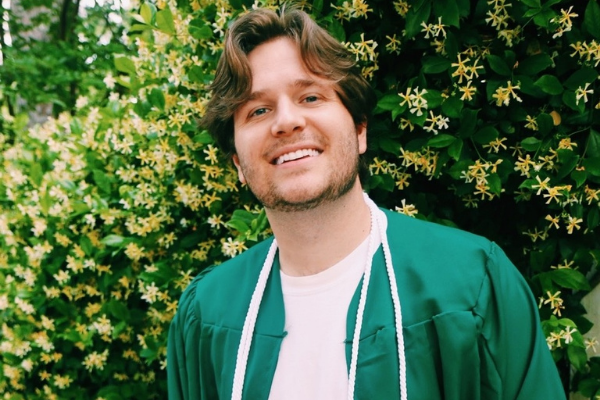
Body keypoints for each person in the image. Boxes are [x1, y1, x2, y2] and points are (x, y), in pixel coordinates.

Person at [167, 6, 566, 400]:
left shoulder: (473, 283)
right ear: (237, 160)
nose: (286, 121)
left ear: (359, 130)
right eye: (258, 110)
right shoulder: (206, 314)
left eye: (309, 96)